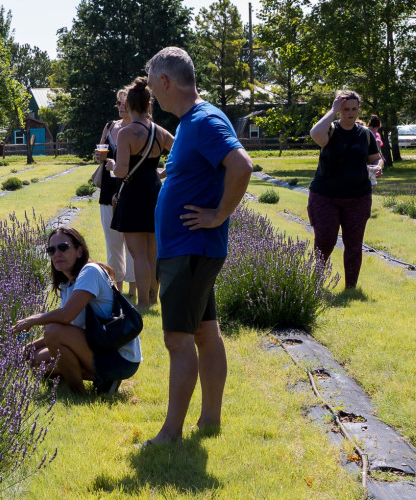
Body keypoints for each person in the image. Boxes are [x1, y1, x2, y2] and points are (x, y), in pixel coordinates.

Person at [145, 47, 253, 445]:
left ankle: (171, 433)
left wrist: (219, 215)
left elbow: (241, 166)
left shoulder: (204, 119)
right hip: (189, 249)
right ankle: (209, 421)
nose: (153, 95)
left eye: (154, 85)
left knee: (178, 339)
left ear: (166, 81)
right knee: (206, 332)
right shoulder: (194, 120)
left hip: (190, 249)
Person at [11, 227, 141, 395]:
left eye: (63, 247)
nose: (57, 253)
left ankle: (80, 392)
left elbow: (65, 317)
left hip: (120, 357)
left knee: (52, 330)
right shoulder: (67, 282)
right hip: (98, 346)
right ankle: (101, 379)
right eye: (51, 250)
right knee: (35, 361)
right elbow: (67, 330)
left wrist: (32, 319)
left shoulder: (90, 271)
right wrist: (28, 348)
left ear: (79, 251)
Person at [110, 78, 175, 309]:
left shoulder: (126, 133)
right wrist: (164, 172)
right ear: (149, 105)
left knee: (138, 255)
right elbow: (180, 151)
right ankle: (154, 298)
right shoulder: (160, 131)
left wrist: (110, 165)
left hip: (133, 194)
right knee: (153, 252)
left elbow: (121, 171)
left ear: (127, 106)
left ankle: (144, 304)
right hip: (155, 192)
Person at [307, 91, 382, 290]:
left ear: (359, 110)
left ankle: (350, 288)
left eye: (354, 109)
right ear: (340, 109)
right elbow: (315, 135)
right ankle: (316, 282)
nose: (350, 113)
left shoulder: (364, 134)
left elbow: (375, 157)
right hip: (325, 196)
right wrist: (332, 110)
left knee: (354, 244)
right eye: (346, 109)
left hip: (358, 197)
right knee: (325, 239)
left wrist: (378, 166)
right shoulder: (329, 130)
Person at [94, 90, 135, 300]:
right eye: (118, 102)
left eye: (123, 102)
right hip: (108, 190)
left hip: (131, 191)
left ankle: (134, 290)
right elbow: (100, 153)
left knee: (132, 243)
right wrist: (99, 156)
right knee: (113, 243)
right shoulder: (110, 126)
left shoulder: (138, 129)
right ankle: (117, 289)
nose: (119, 105)